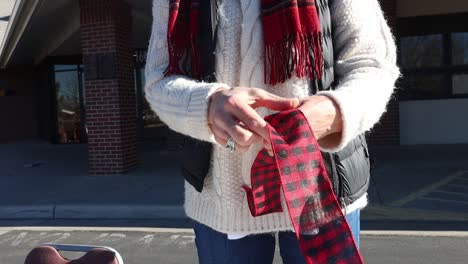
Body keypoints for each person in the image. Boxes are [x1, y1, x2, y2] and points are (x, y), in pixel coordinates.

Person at [145, 0, 399, 263]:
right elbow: (158, 80)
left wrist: (333, 112)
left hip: (320, 189)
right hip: (222, 199)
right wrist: (208, 106)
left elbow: (373, 65)